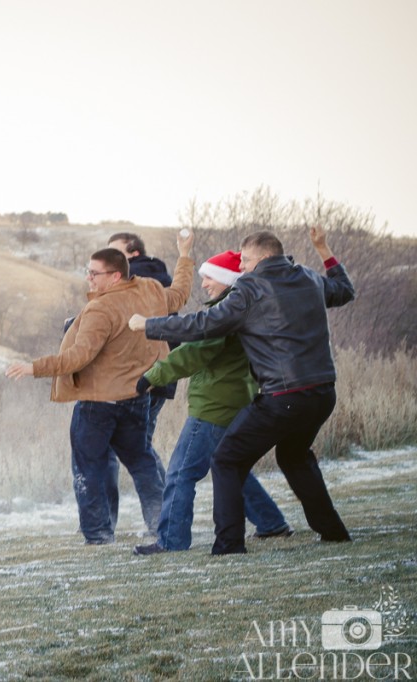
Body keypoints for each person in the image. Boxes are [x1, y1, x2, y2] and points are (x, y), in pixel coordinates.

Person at [129, 226, 354, 554]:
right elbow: (345, 290)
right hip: (322, 393)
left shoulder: (251, 286)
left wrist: (148, 325)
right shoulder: (308, 277)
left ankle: (229, 545)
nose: (243, 266)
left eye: (246, 259)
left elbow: (203, 326)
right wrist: (323, 249)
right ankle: (332, 531)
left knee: (226, 461)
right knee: (293, 457)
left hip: (284, 396)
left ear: (264, 257)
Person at [5, 231, 193, 544]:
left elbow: (78, 357)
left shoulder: (100, 310)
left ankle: (98, 534)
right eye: (88, 271)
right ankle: (162, 522)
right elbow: (181, 293)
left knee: (88, 467)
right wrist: (185, 254)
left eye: (94, 274)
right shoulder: (150, 290)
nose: (88, 278)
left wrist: (33, 367)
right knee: (142, 461)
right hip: (137, 397)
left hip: (98, 404)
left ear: (116, 275)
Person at [131, 250, 291, 556]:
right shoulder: (246, 307)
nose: (204, 284)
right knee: (229, 466)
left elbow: (195, 353)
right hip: (235, 398)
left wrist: (154, 375)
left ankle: (172, 541)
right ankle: (271, 522)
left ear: (229, 279)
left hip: (214, 404)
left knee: (181, 473)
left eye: (209, 277)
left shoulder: (226, 312)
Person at [103, 232, 175, 525]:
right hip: (157, 374)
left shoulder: (137, 280)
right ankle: (170, 509)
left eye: (113, 253)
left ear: (132, 254)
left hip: (143, 376)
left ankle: (165, 515)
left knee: (137, 449)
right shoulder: (154, 278)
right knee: (138, 447)